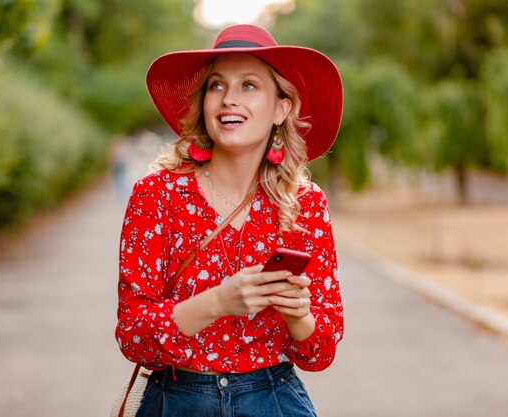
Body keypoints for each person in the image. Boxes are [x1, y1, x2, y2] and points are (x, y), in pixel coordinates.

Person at [116, 24, 344, 417]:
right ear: (203, 103)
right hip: (177, 400)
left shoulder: (305, 204)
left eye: (249, 85)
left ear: (280, 108)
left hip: (273, 399)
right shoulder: (156, 195)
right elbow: (134, 336)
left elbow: (320, 351)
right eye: (217, 86)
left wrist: (297, 314)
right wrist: (220, 301)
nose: (228, 99)